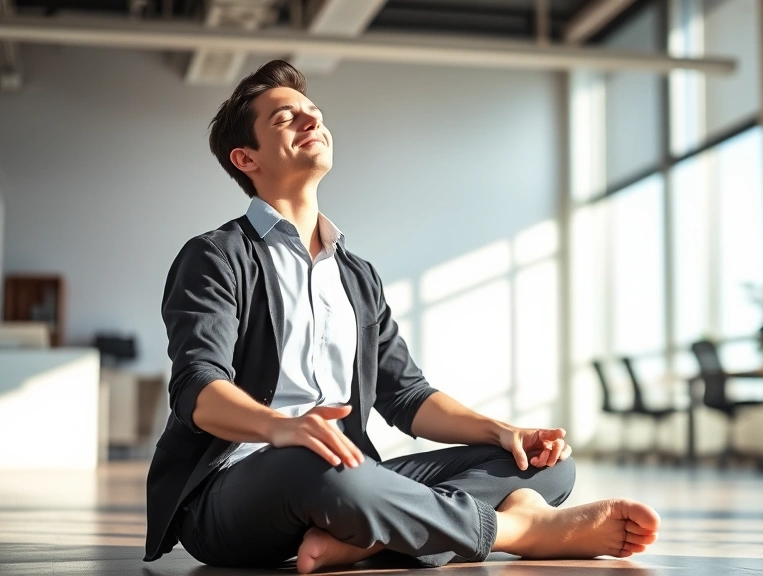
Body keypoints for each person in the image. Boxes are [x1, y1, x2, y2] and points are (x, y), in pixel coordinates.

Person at [144, 59, 660, 573]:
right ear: (245, 158)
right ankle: (514, 530)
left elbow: (406, 396)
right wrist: (284, 427)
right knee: (319, 464)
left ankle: (364, 538)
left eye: (313, 112)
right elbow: (198, 387)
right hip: (236, 490)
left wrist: (503, 431)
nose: (311, 121)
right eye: (284, 119)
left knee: (544, 466)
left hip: (349, 473)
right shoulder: (216, 255)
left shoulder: (356, 274)